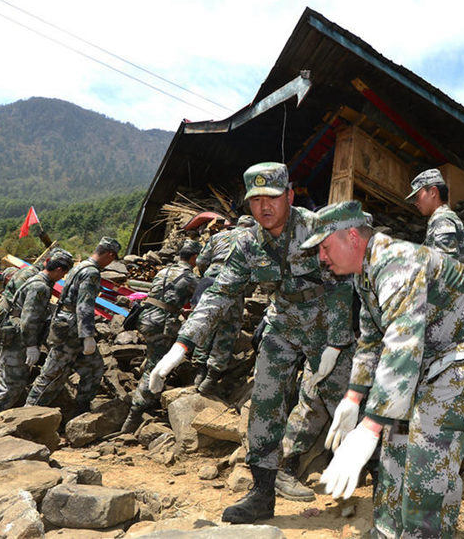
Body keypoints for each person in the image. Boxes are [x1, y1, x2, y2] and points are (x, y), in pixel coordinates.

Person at [148, 162, 356, 524]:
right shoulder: (247, 242)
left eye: (272, 197)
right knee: (264, 401)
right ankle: (262, 492)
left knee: (345, 403)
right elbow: (219, 292)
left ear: (289, 196)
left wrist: (337, 342)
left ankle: (380, 478)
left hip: (326, 327)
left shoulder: (315, 228)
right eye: (256, 199)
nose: (264, 207)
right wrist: (181, 346)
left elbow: (343, 285)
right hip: (282, 325)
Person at [304, 200, 464, 538]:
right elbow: (373, 339)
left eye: (324, 246)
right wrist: (353, 397)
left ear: (351, 236)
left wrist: (369, 427)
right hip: (437, 360)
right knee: (396, 439)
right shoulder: (366, 272)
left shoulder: (396, 262)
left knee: (428, 441)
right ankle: (388, 531)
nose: (321, 257)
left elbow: (402, 345)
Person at [25, 237, 121, 412]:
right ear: (109, 254)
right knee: (52, 374)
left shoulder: (80, 266)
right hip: (71, 331)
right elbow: (85, 305)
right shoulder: (91, 272)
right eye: (113, 258)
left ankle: (79, 411)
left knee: (94, 368)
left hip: (68, 324)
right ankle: (26, 415)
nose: (111, 262)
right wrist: (88, 336)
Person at [118, 240, 201, 434]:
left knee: (154, 355)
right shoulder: (190, 278)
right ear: (194, 258)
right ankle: (135, 412)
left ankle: (148, 392)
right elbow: (197, 303)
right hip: (161, 323)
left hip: (146, 318)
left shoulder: (164, 271)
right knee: (156, 366)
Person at [0, 250, 73, 412]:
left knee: (5, 381)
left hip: (14, 336)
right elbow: (29, 319)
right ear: (59, 270)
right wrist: (31, 345)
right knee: (11, 387)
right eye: (63, 274)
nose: (62, 278)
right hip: (18, 341)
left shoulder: (35, 279)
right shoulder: (40, 287)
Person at [191, 214, 256, 395]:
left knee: (206, 323)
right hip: (233, 283)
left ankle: (199, 370)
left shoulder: (218, 236)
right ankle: (211, 377)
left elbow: (200, 262)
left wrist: (210, 275)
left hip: (210, 281)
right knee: (226, 329)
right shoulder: (254, 239)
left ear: (237, 225)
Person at [405, 168, 464, 265]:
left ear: (433, 192)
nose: (415, 203)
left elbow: (446, 265)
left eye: (417, 196)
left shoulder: (442, 220)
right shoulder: (442, 218)